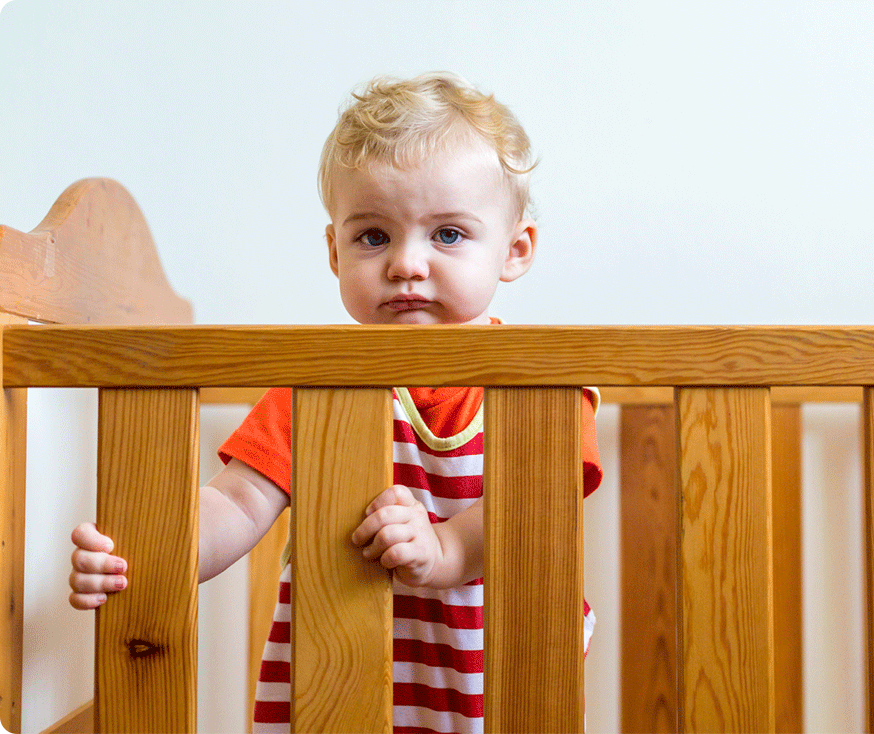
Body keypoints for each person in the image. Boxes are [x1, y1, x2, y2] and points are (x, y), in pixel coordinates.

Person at [67, 71, 602, 734]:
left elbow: (534, 509)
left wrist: (446, 548)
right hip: (336, 683)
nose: (406, 264)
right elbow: (237, 503)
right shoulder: (314, 387)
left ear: (514, 250)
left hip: (495, 685)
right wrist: (146, 555)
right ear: (334, 251)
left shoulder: (542, 390)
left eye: (448, 235)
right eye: (374, 236)